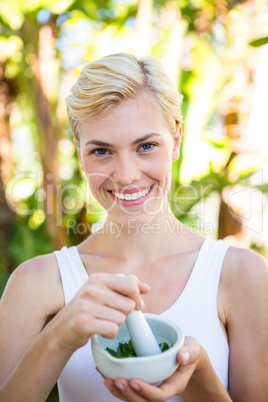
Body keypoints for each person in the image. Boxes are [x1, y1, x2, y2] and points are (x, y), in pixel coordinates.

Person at [0, 52, 268, 402]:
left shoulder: (242, 275)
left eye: (145, 146)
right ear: (79, 152)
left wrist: (199, 375)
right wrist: (61, 335)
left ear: (176, 139)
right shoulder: (35, 283)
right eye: (101, 151)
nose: (125, 175)